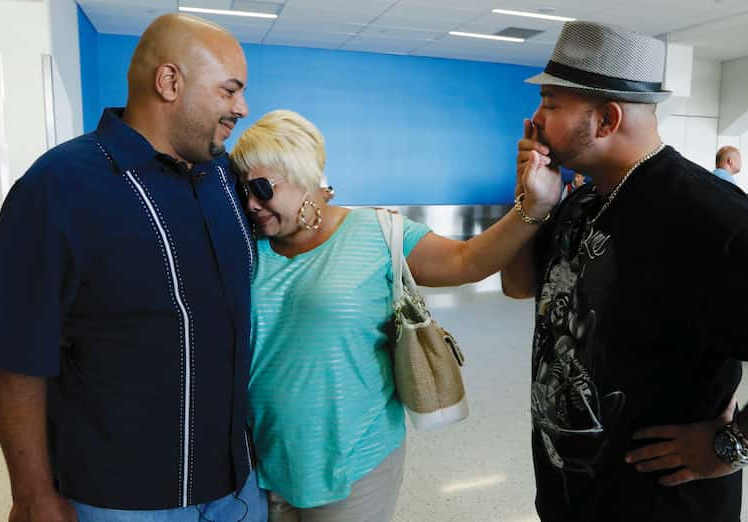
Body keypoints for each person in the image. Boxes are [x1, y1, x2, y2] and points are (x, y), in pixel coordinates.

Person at [501, 21, 748, 522]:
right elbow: (518, 285)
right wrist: (532, 202)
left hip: (658, 505)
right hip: (571, 494)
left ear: (606, 119)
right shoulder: (582, 198)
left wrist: (736, 445)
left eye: (551, 103)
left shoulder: (708, 216)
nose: (536, 119)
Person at [0, 14, 268, 521]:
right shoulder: (58, 188)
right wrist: (32, 494)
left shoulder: (227, 181)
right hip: (120, 499)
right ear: (169, 82)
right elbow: (16, 358)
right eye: (230, 91)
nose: (242, 108)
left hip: (235, 487)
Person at [229, 109, 558, 522]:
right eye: (241, 191)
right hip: (263, 463)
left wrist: (533, 205)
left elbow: (466, 261)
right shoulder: (245, 246)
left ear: (302, 174)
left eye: (261, 188)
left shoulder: (375, 233)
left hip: (355, 462)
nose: (252, 204)